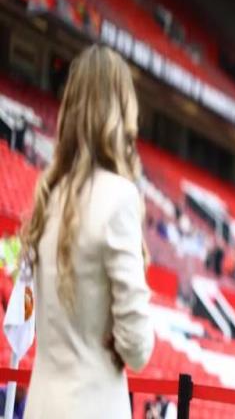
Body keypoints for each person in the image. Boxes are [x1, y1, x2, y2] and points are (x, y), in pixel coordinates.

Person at [21, 45, 155, 418]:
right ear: (121, 112)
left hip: (41, 405)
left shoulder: (49, 194)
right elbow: (138, 348)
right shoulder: (120, 197)